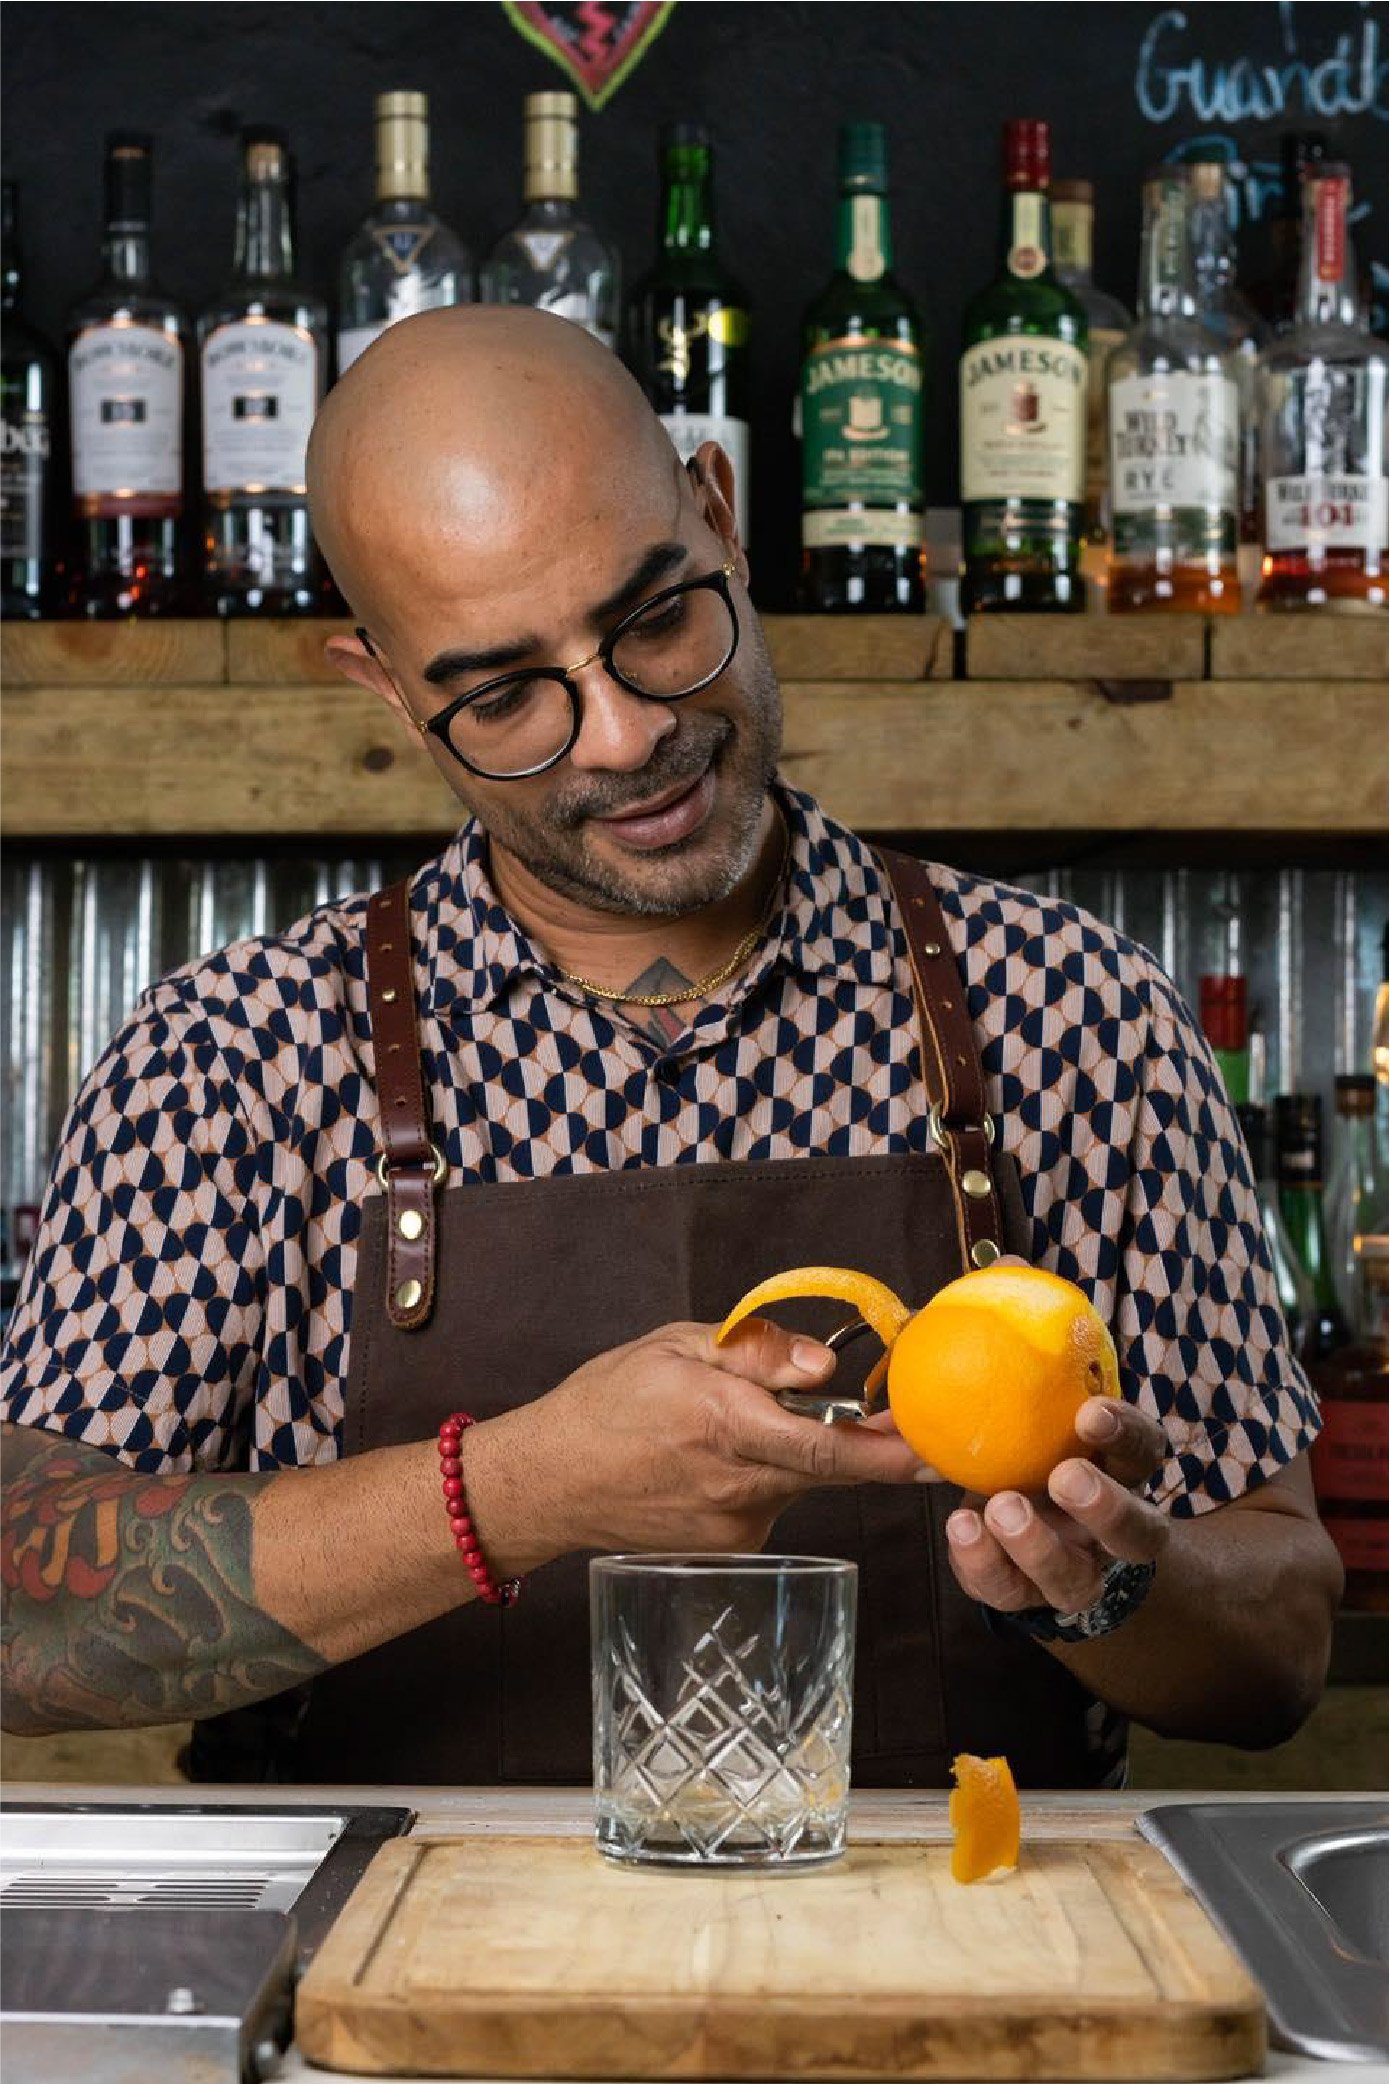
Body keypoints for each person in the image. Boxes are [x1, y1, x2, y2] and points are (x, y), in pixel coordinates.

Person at [1, 308, 1339, 1785]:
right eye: (504, 694)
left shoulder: (1071, 1015)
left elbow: (1277, 1653)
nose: (624, 736)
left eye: (653, 620)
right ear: (385, 686)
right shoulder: (232, 1062)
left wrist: (1113, 1583)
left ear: (719, 515)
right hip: (397, 1937)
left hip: (944, 1920)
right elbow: (17, 1616)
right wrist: (513, 1492)